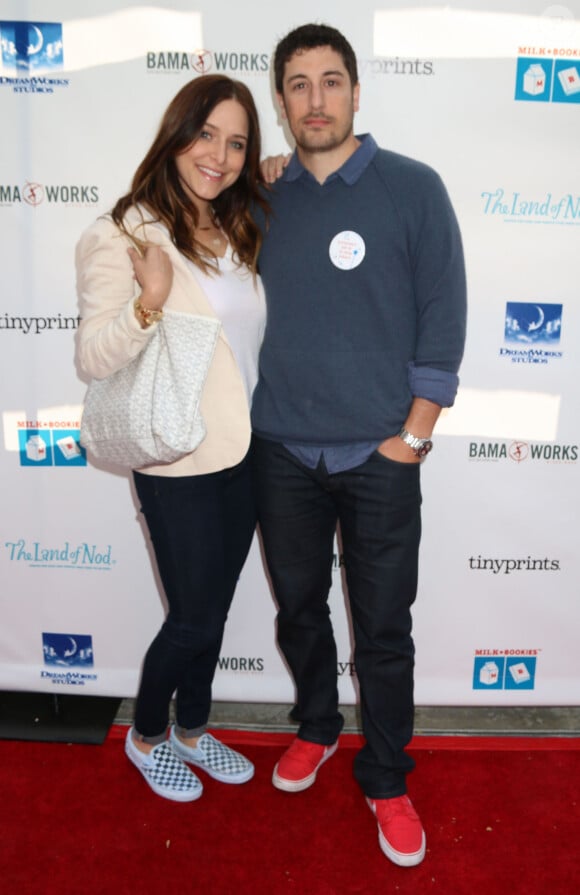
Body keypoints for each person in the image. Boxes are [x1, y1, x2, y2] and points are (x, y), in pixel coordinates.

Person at [251, 24, 467, 866]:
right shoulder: (261, 196)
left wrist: (412, 439)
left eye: (330, 81)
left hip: (383, 456)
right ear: (280, 100)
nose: (315, 100)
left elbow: (442, 324)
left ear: (356, 92)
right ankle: (315, 724)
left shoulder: (415, 189)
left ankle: (385, 775)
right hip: (282, 453)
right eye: (297, 85)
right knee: (299, 607)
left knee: (382, 628)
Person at [76, 75, 269, 802]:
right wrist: (147, 303)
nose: (218, 154)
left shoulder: (240, 225)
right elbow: (94, 355)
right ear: (176, 132)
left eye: (238, 141)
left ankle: (193, 726)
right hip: (176, 455)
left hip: (246, 452)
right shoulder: (121, 233)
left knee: (212, 611)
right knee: (190, 616)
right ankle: (149, 733)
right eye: (206, 133)